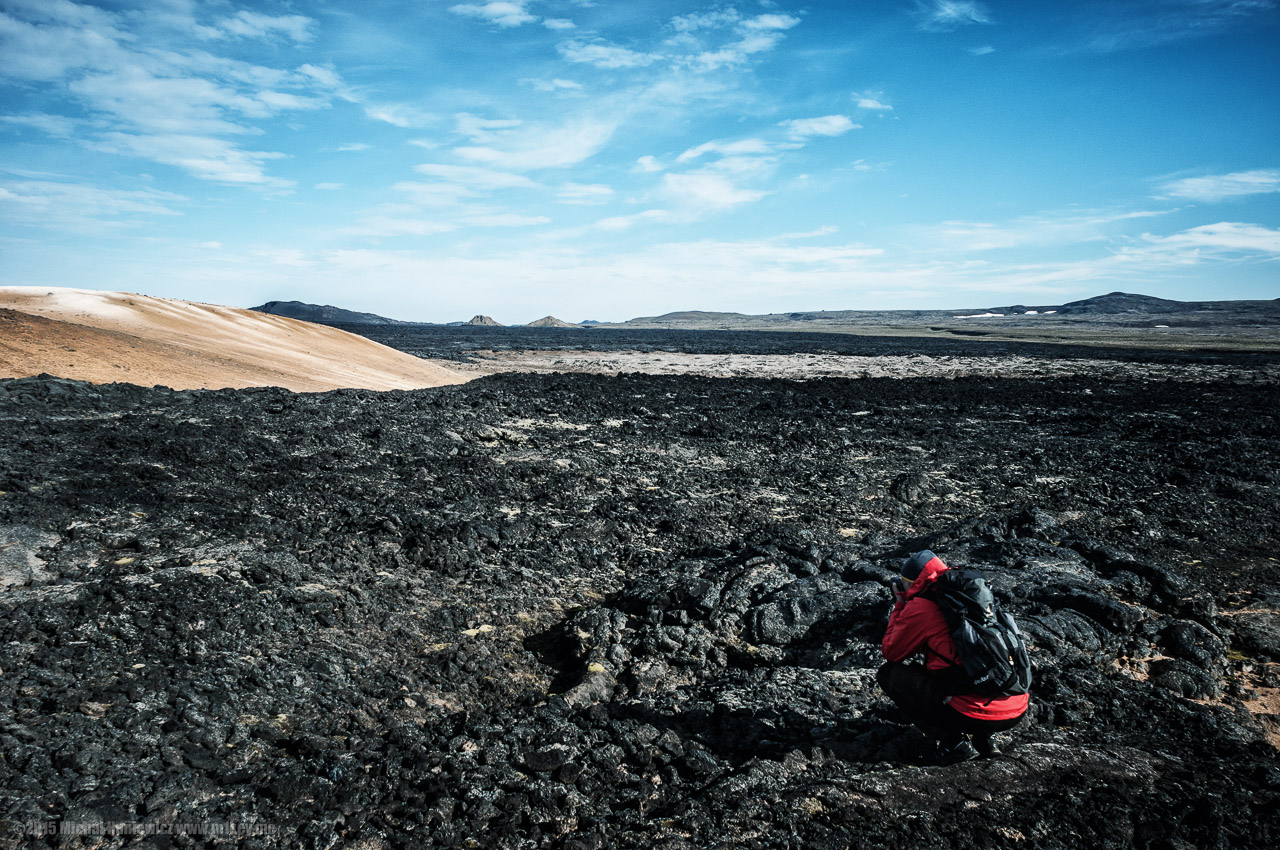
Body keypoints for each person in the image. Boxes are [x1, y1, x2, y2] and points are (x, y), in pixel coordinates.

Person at [878, 549, 1029, 764]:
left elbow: (891, 652)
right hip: (1015, 706)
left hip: (971, 713)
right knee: (967, 667)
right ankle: (986, 740)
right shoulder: (974, 593)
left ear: (915, 581)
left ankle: (955, 744)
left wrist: (901, 604)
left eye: (905, 581)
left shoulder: (922, 607)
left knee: (889, 675)